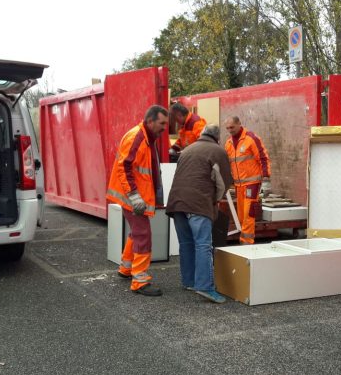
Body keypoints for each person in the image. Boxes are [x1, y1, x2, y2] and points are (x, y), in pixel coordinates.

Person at [106, 105, 169, 296]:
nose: (165, 128)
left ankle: (126, 269)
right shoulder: (138, 137)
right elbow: (123, 167)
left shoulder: (146, 138)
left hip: (134, 196)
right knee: (143, 235)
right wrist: (134, 196)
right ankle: (139, 281)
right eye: (162, 123)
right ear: (150, 121)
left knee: (136, 232)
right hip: (132, 197)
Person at [166, 125, 233, 303]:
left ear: (202, 134)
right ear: (217, 138)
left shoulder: (187, 149)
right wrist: (213, 201)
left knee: (186, 243)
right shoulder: (217, 151)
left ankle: (189, 281)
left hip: (177, 203)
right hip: (198, 204)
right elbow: (223, 183)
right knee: (203, 245)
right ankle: (204, 286)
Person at [223, 116, 271, 245]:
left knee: (248, 214)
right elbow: (227, 164)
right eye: (227, 128)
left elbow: (263, 158)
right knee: (241, 216)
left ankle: (246, 243)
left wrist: (266, 179)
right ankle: (245, 241)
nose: (230, 130)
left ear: (239, 124)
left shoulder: (251, 139)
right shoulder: (228, 143)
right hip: (239, 186)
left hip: (252, 184)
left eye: (232, 127)